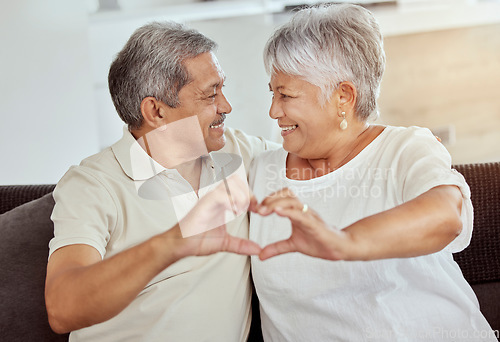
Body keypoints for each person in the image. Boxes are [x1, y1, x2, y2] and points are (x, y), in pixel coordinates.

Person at [249, 4, 497, 341]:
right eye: (272, 93)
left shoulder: (406, 148)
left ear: (342, 96)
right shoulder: (259, 171)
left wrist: (344, 242)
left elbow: (447, 215)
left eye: (286, 95)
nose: (273, 110)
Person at [45, 21, 276, 341]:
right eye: (211, 95)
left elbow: (323, 159)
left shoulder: (240, 152)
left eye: (222, 89)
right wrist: (175, 242)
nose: (226, 106)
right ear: (155, 111)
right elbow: (62, 307)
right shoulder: (93, 186)